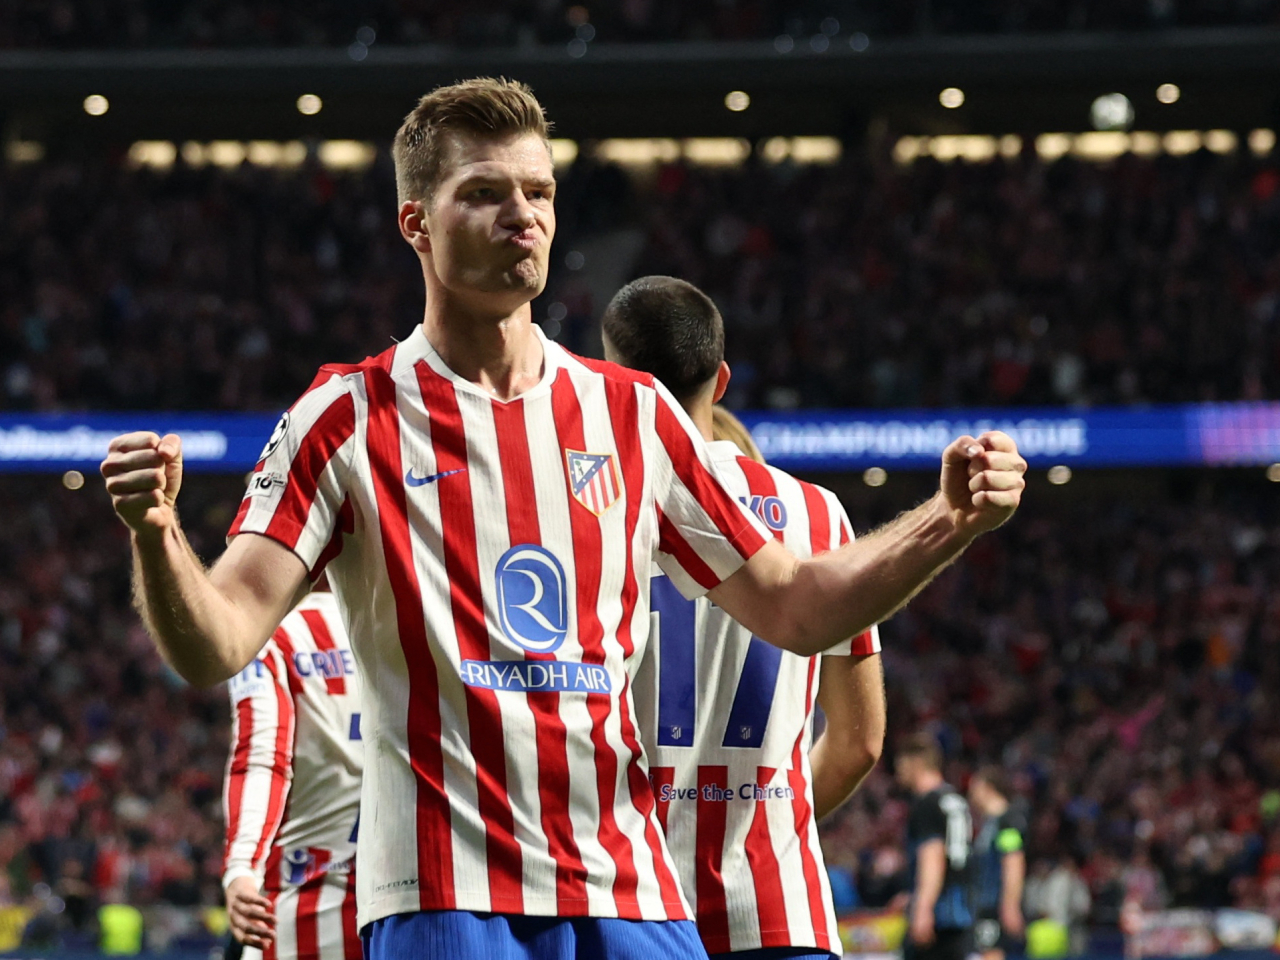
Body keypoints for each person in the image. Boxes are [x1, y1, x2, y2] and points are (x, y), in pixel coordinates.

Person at [99, 77, 1026, 960]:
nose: (525, 215)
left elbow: (799, 606)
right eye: (486, 192)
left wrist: (947, 521)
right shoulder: (344, 419)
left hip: (628, 888)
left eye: (539, 191)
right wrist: (158, 533)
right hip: (443, 895)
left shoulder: (635, 416)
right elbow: (216, 641)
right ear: (415, 223)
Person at [602, 277, 886, 960]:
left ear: (612, 384)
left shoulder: (591, 510)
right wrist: (770, 818)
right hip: (780, 910)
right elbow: (860, 743)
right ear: (722, 379)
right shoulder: (819, 514)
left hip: (628, 906)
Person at [222, 586, 363, 960]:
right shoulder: (408, 622)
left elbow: (263, 757)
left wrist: (241, 867)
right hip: (412, 909)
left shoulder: (270, 636)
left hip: (304, 912)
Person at [896, 734, 973, 960]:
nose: (898, 772)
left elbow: (934, 856)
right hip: (961, 910)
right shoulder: (955, 800)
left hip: (938, 916)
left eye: (901, 765)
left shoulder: (926, 804)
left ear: (916, 763)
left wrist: (923, 908)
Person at [968, 767, 1026, 960]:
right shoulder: (989, 824)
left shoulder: (1007, 822)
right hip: (983, 906)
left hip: (994, 908)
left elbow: (1013, 861)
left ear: (987, 788)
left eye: (974, 788)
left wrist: (1010, 905)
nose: (970, 794)